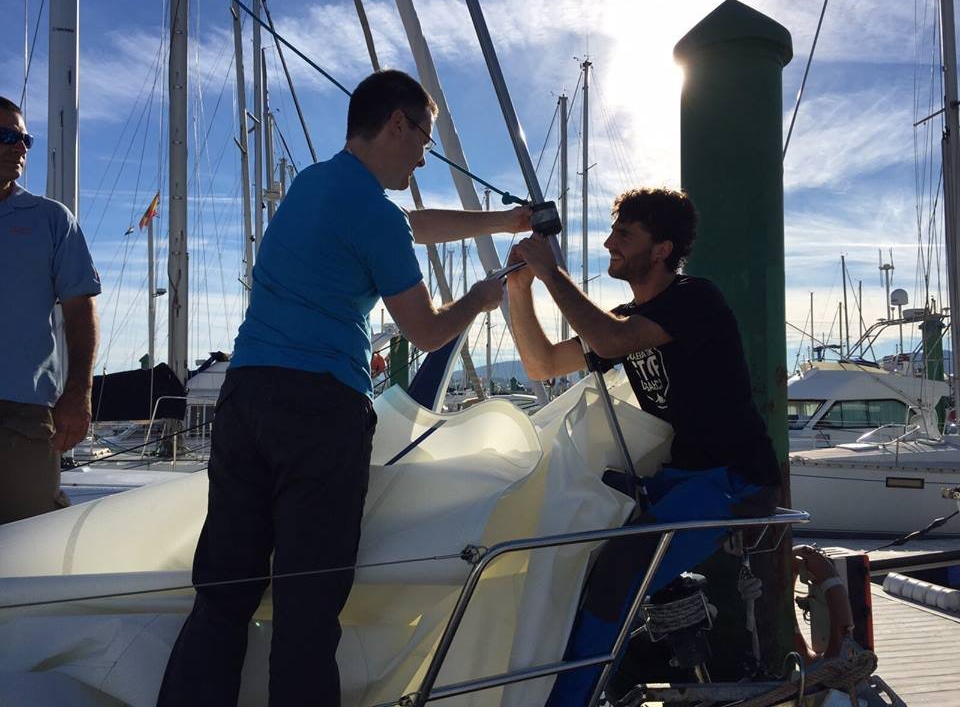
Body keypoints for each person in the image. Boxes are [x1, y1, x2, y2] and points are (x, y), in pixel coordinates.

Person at [158, 69, 530, 706]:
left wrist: (503, 219)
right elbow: (429, 330)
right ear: (396, 124)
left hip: (245, 401)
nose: (423, 156)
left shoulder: (314, 186)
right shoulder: (374, 217)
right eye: (424, 139)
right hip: (319, 413)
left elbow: (411, 224)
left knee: (222, 597)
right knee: (307, 611)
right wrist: (477, 298)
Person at [505, 187, 781, 706]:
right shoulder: (626, 315)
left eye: (624, 235)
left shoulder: (695, 300)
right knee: (570, 527)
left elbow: (610, 343)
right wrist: (520, 290)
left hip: (736, 481)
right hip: (681, 477)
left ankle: (567, 701)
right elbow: (542, 364)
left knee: (619, 570)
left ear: (661, 250)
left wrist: (551, 272)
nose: (610, 242)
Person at [0, 95, 101, 525]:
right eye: (6, 136)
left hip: (23, 417)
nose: (19, 147)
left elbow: (80, 314)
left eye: (25, 138)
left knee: (28, 544)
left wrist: (79, 392)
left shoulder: (52, 220)